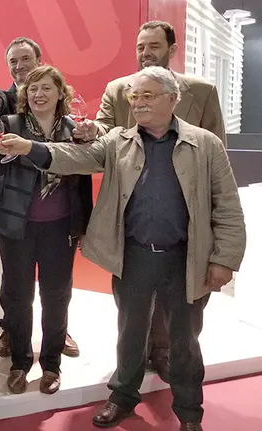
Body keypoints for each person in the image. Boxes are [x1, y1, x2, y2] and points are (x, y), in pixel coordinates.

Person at [0, 66, 245, 431]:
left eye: (147, 96)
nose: (138, 103)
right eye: (134, 96)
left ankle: (190, 412)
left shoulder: (205, 144)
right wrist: (30, 147)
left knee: (185, 340)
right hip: (135, 255)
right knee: (129, 332)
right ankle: (124, 396)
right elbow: (74, 157)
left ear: (172, 99)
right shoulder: (118, 142)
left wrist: (224, 259)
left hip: (184, 257)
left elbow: (227, 206)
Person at [0, 65, 93, 395]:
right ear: (25, 95)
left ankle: (51, 364)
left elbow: (83, 176)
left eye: (46, 88)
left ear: (59, 94)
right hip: (15, 226)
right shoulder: (12, 125)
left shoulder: (75, 130)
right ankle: (21, 362)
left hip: (59, 228)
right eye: (33, 89)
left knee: (57, 296)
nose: (39, 94)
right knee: (18, 297)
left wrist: (84, 226)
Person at [89, 20, 228, 383]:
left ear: (172, 48)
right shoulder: (119, 90)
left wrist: (220, 244)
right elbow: (102, 132)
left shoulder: (202, 91)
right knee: (131, 308)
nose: (146, 52)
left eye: (153, 45)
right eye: (140, 47)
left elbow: (218, 161)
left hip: (183, 224)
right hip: (135, 219)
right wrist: (90, 132)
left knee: (183, 309)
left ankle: (167, 359)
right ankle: (130, 375)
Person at [0, 37, 80, 359]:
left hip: (57, 214)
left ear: (40, 61)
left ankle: (56, 337)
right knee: (15, 285)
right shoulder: (10, 101)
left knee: (56, 288)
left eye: (24, 60)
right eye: (13, 62)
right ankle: (12, 330)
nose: (19, 67)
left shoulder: (65, 115)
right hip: (16, 204)